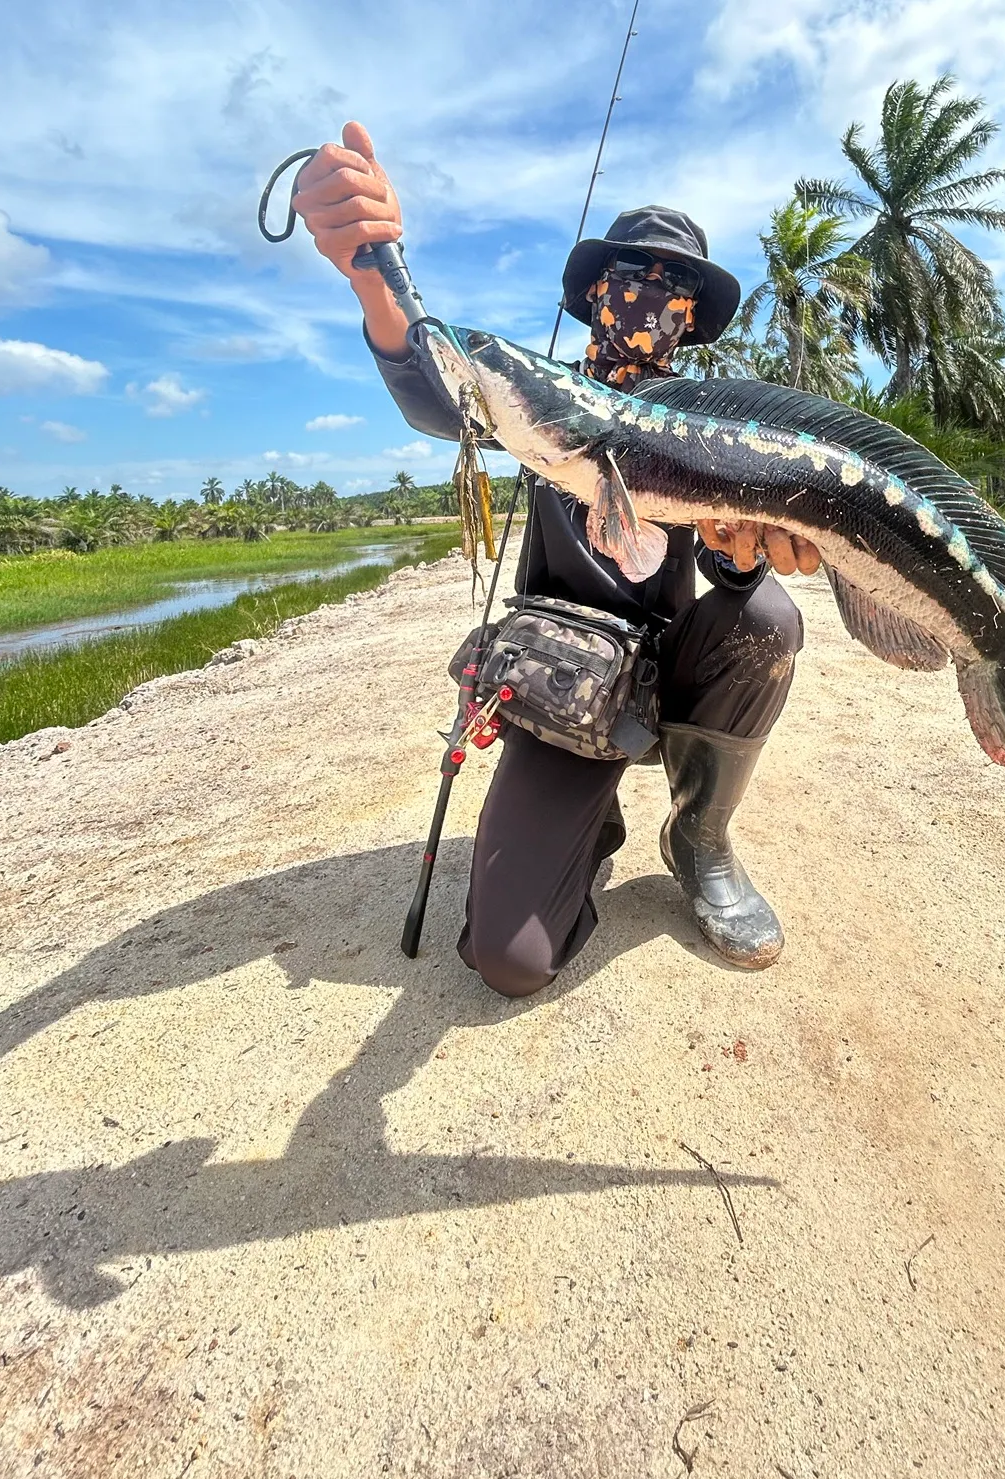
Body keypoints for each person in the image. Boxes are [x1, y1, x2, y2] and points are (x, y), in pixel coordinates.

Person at [293, 123, 822, 998]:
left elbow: (738, 559)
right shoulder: (531, 400)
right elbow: (437, 386)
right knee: (511, 960)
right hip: (563, 678)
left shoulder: (709, 420)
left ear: (691, 320)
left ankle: (699, 838)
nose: (652, 294)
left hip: (667, 664)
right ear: (594, 296)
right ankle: (587, 815)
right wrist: (373, 269)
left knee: (767, 617)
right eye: (633, 276)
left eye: (675, 284)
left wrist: (741, 561)